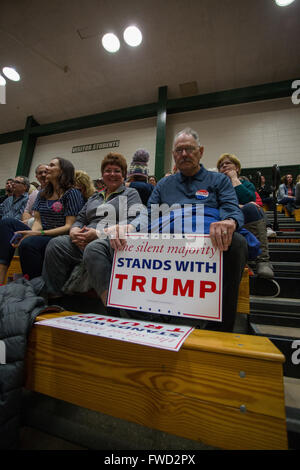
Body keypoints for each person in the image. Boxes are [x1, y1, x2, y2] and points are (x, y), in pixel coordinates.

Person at [87, 128, 248, 333]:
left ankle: (219, 331)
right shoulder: (163, 184)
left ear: (201, 151)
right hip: (160, 240)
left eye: (189, 149)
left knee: (237, 243)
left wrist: (230, 221)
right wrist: (130, 227)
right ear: (173, 155)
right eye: (179, 150)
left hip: (201, 240)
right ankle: (125, 318)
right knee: (96, 249)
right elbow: (148, 214)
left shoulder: (219, 180)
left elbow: (231, 208)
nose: (184, 154)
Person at [42, 152, 143, 310]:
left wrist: (97, 234)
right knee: (56, 244)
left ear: (123, 175)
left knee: (93, 248)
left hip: (109, 240)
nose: (112, 174)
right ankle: (55, 300)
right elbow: (81, 218)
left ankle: (113, 306)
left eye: (117, 171)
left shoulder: (130, 194)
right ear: (102, 174)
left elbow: (135, 220)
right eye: (108, 170)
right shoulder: (94, 196)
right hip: (82, 239)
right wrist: (74, 231)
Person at [0, 157, 85, 284]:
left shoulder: (72, 193)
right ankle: (1, 276)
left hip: (60, 236)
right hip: (41, 233)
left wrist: (35, 235)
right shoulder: (42, 193)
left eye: (51, 165)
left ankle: (36, 285)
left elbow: (69, 226)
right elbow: (38, 221)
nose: (47, 168)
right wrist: (31, 233)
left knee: (28, 244)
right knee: (7, 222)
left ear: (62, 171)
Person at [217, 153, 274, 279]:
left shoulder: (246, 184)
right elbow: (217, 204)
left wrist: (235, 180)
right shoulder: (217, 186)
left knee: (251, 208)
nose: (224, 165)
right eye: (221, 165)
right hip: (225, 217)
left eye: (228, 163)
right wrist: (238, 206)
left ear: (237, 168)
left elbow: (249, 199)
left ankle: (263, 261)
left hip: (244, 217)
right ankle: (241, 260)